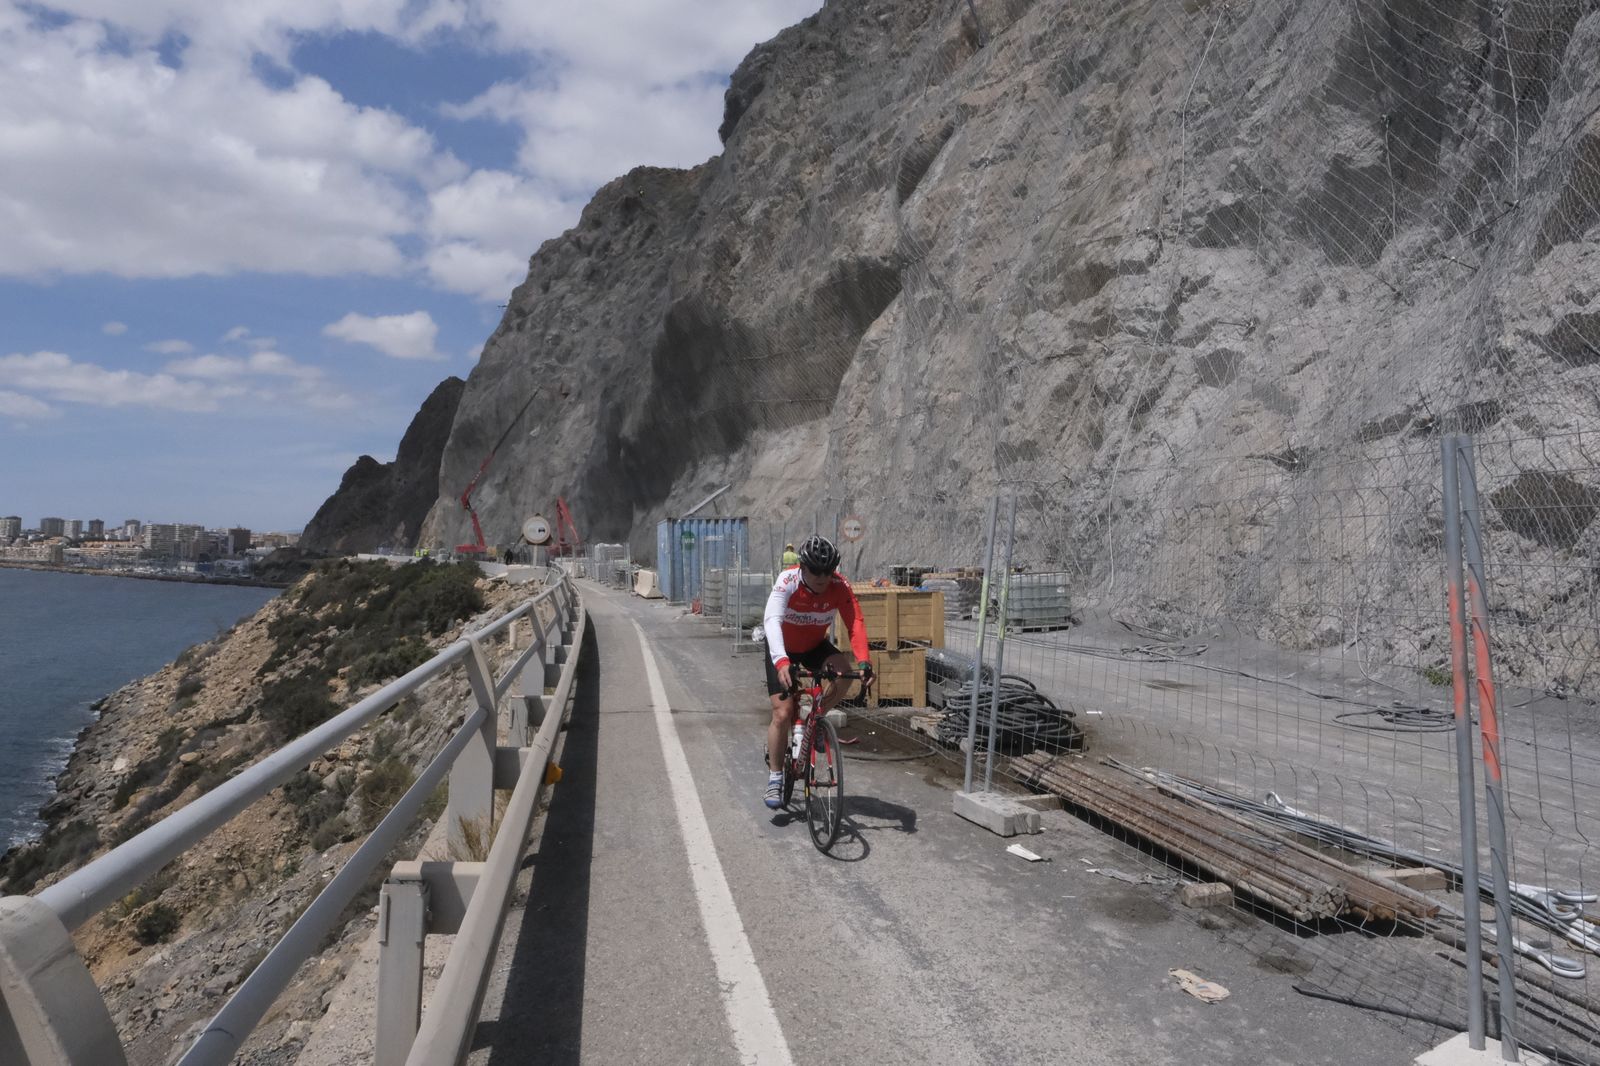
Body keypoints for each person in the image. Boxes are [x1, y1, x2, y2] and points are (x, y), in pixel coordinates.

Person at [760, 534, 873, 808]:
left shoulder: (839, 585)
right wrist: (781, 661)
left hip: (813, 646)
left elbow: (855, 622)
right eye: (816, 574)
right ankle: (775, 776)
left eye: (828, 573)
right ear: (803, 567)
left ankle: (816, 719)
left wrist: (865, 662)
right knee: (783, 712)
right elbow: (772, 620)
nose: (823, 579)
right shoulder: (787, 581)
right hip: (782, 648)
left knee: (845, 673)